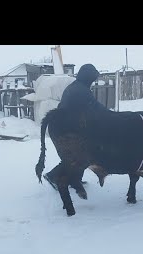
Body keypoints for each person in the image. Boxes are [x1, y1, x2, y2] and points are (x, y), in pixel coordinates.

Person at [43, 64, 110, 192]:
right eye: (93, 78)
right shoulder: (81, 90)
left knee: (81, 152)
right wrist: (112, 116)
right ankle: (52, 176)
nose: (93, 81)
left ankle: (75, 179)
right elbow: (96, 108)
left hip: (63, 126)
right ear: (88, 78)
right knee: (76, 156)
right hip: (62, 129)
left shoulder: (76, 86)